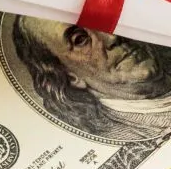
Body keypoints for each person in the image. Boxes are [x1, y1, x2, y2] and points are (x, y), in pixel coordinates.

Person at [11, 16, 171, 141]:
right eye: (80, 39)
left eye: (100, 17)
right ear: (70, 77)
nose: (112, 36)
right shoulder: (121, 136)